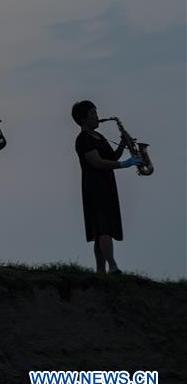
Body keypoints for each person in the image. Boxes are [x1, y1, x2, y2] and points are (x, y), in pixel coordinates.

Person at [71, 100, 142, 275]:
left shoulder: (99, 137)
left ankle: (101, 271)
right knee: (103, 228)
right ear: (83, 119)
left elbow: (111, 156)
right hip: (94, 186)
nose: (97, 117)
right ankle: (113, 265)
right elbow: (97, 162)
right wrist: (125, 164)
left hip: (107, 185)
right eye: (93, 113)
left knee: (101, 230)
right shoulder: (83, 139)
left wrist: (123, 144)